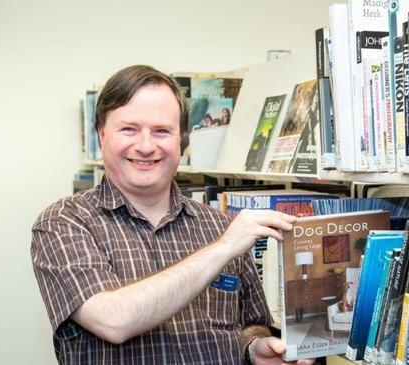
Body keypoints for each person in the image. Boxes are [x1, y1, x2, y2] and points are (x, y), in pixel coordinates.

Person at [31, 65, 314, 365]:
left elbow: (250, 324)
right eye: (129, 129)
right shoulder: (63, 223)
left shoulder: (222, 225)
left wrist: (253, 349)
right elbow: (113, 320)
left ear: (182, 140)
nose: (145, 146)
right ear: (102, 134)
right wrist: (222, 248)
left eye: (161, 131)